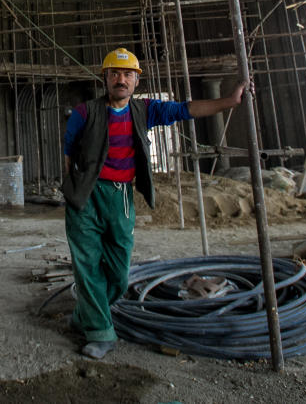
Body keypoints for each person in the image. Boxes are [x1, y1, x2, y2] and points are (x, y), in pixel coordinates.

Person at [61, 47, 247, 360]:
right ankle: (101, 333)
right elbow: (68, 154)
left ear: (136, 81)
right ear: (104, 78)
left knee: (119, 273)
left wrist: (230, 101)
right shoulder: (85, 113)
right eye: (115, 74)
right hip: (86, 196)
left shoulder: (145, 110)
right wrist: (75, 192)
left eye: (128, 75)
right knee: (87, 265)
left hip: (120, 196)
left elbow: (187, 109)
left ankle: (86, 316)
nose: (121, 79)